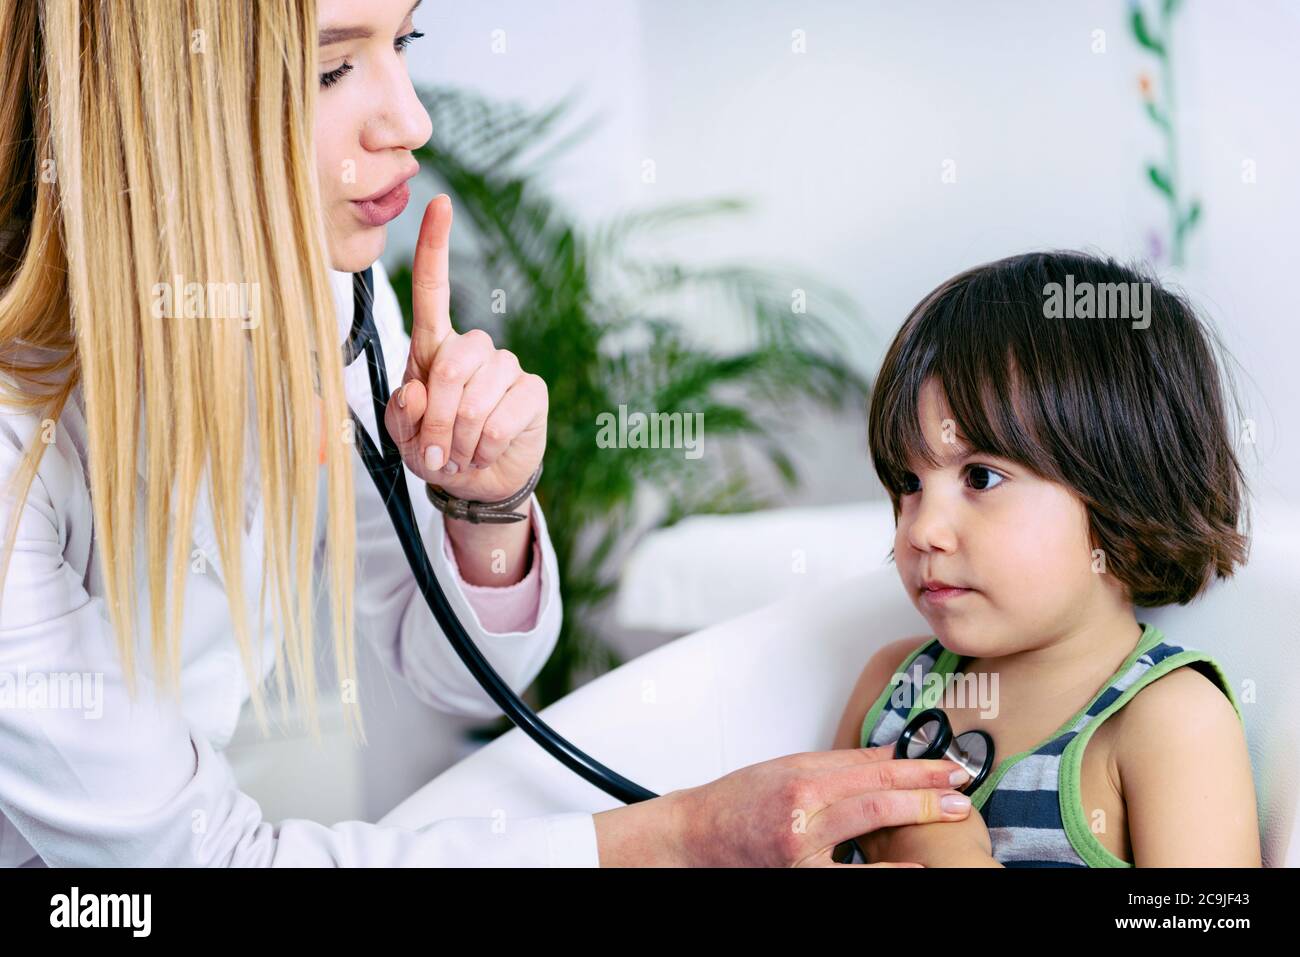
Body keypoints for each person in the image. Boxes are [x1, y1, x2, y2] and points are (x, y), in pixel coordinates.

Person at [0, 0, 975, 867]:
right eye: (333, 66)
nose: (410, 120)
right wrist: (680, 838)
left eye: (406, 40)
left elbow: (457, 674)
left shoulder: (335, 298)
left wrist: (487, 503)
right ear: (155, 103)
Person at [831, 251, 1261, 866]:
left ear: (1123, 494)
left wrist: (948, 857)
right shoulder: (894, 687)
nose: (922, 529)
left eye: (980, 477)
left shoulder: (1167, 724)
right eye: (908, 481)